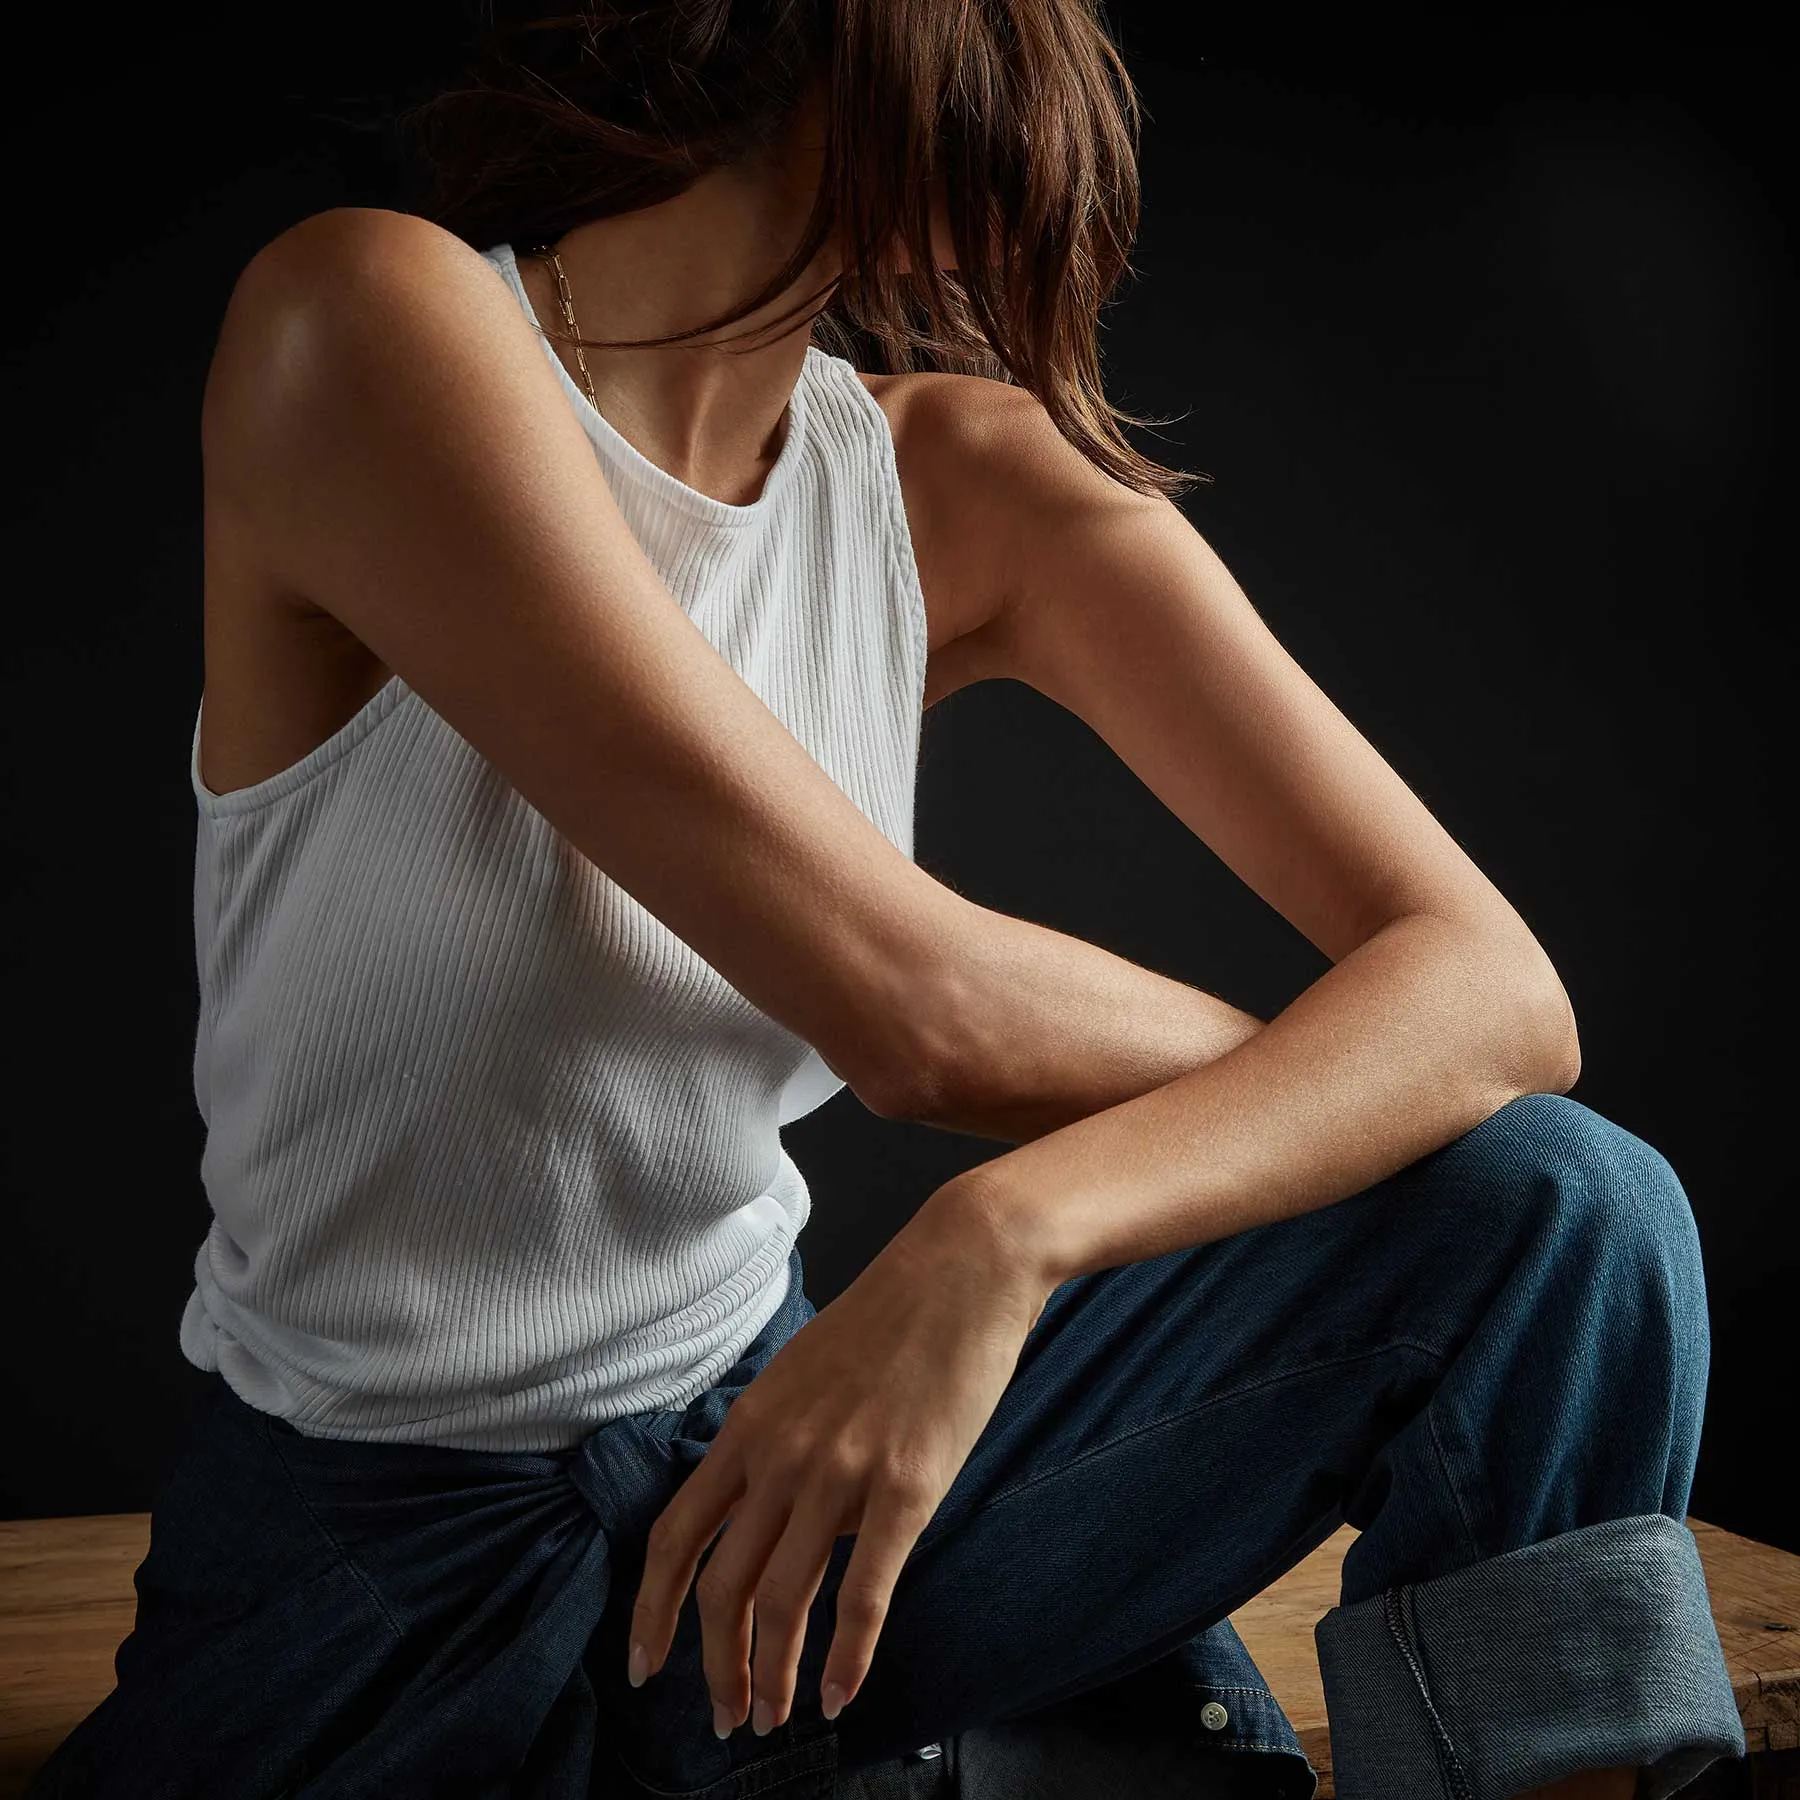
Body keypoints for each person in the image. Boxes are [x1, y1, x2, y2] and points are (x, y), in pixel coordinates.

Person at [28, 3, 1745, 1797]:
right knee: (1426, 1127)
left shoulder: (962, 485)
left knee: (1562, 1206)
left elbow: (1498, 1000)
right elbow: (911, 1007)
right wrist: (1322, 1085)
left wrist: (1017, 1231)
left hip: (773, 1497)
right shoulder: (369, 324)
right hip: (379, 1580)